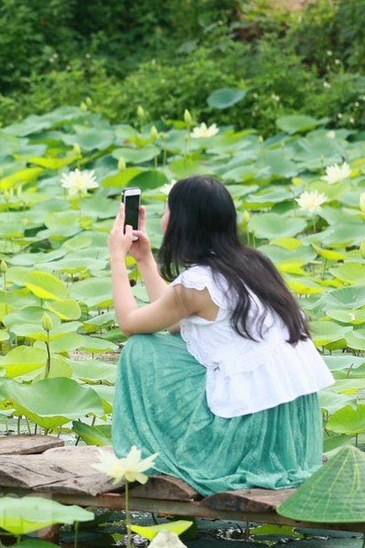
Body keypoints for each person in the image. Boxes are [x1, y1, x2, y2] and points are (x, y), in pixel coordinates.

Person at [108, 175, 333, 496]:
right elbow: (175, 320)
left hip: (247, 436)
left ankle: (161, 455)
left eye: (168, 209)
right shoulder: (254, 265)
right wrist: (144, 260)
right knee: (170, 342)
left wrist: (117, 257)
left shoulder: (199, 283)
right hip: (292, 432)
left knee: (139, 349)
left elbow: (131, 323)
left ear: (181, 221)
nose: (163, 217)